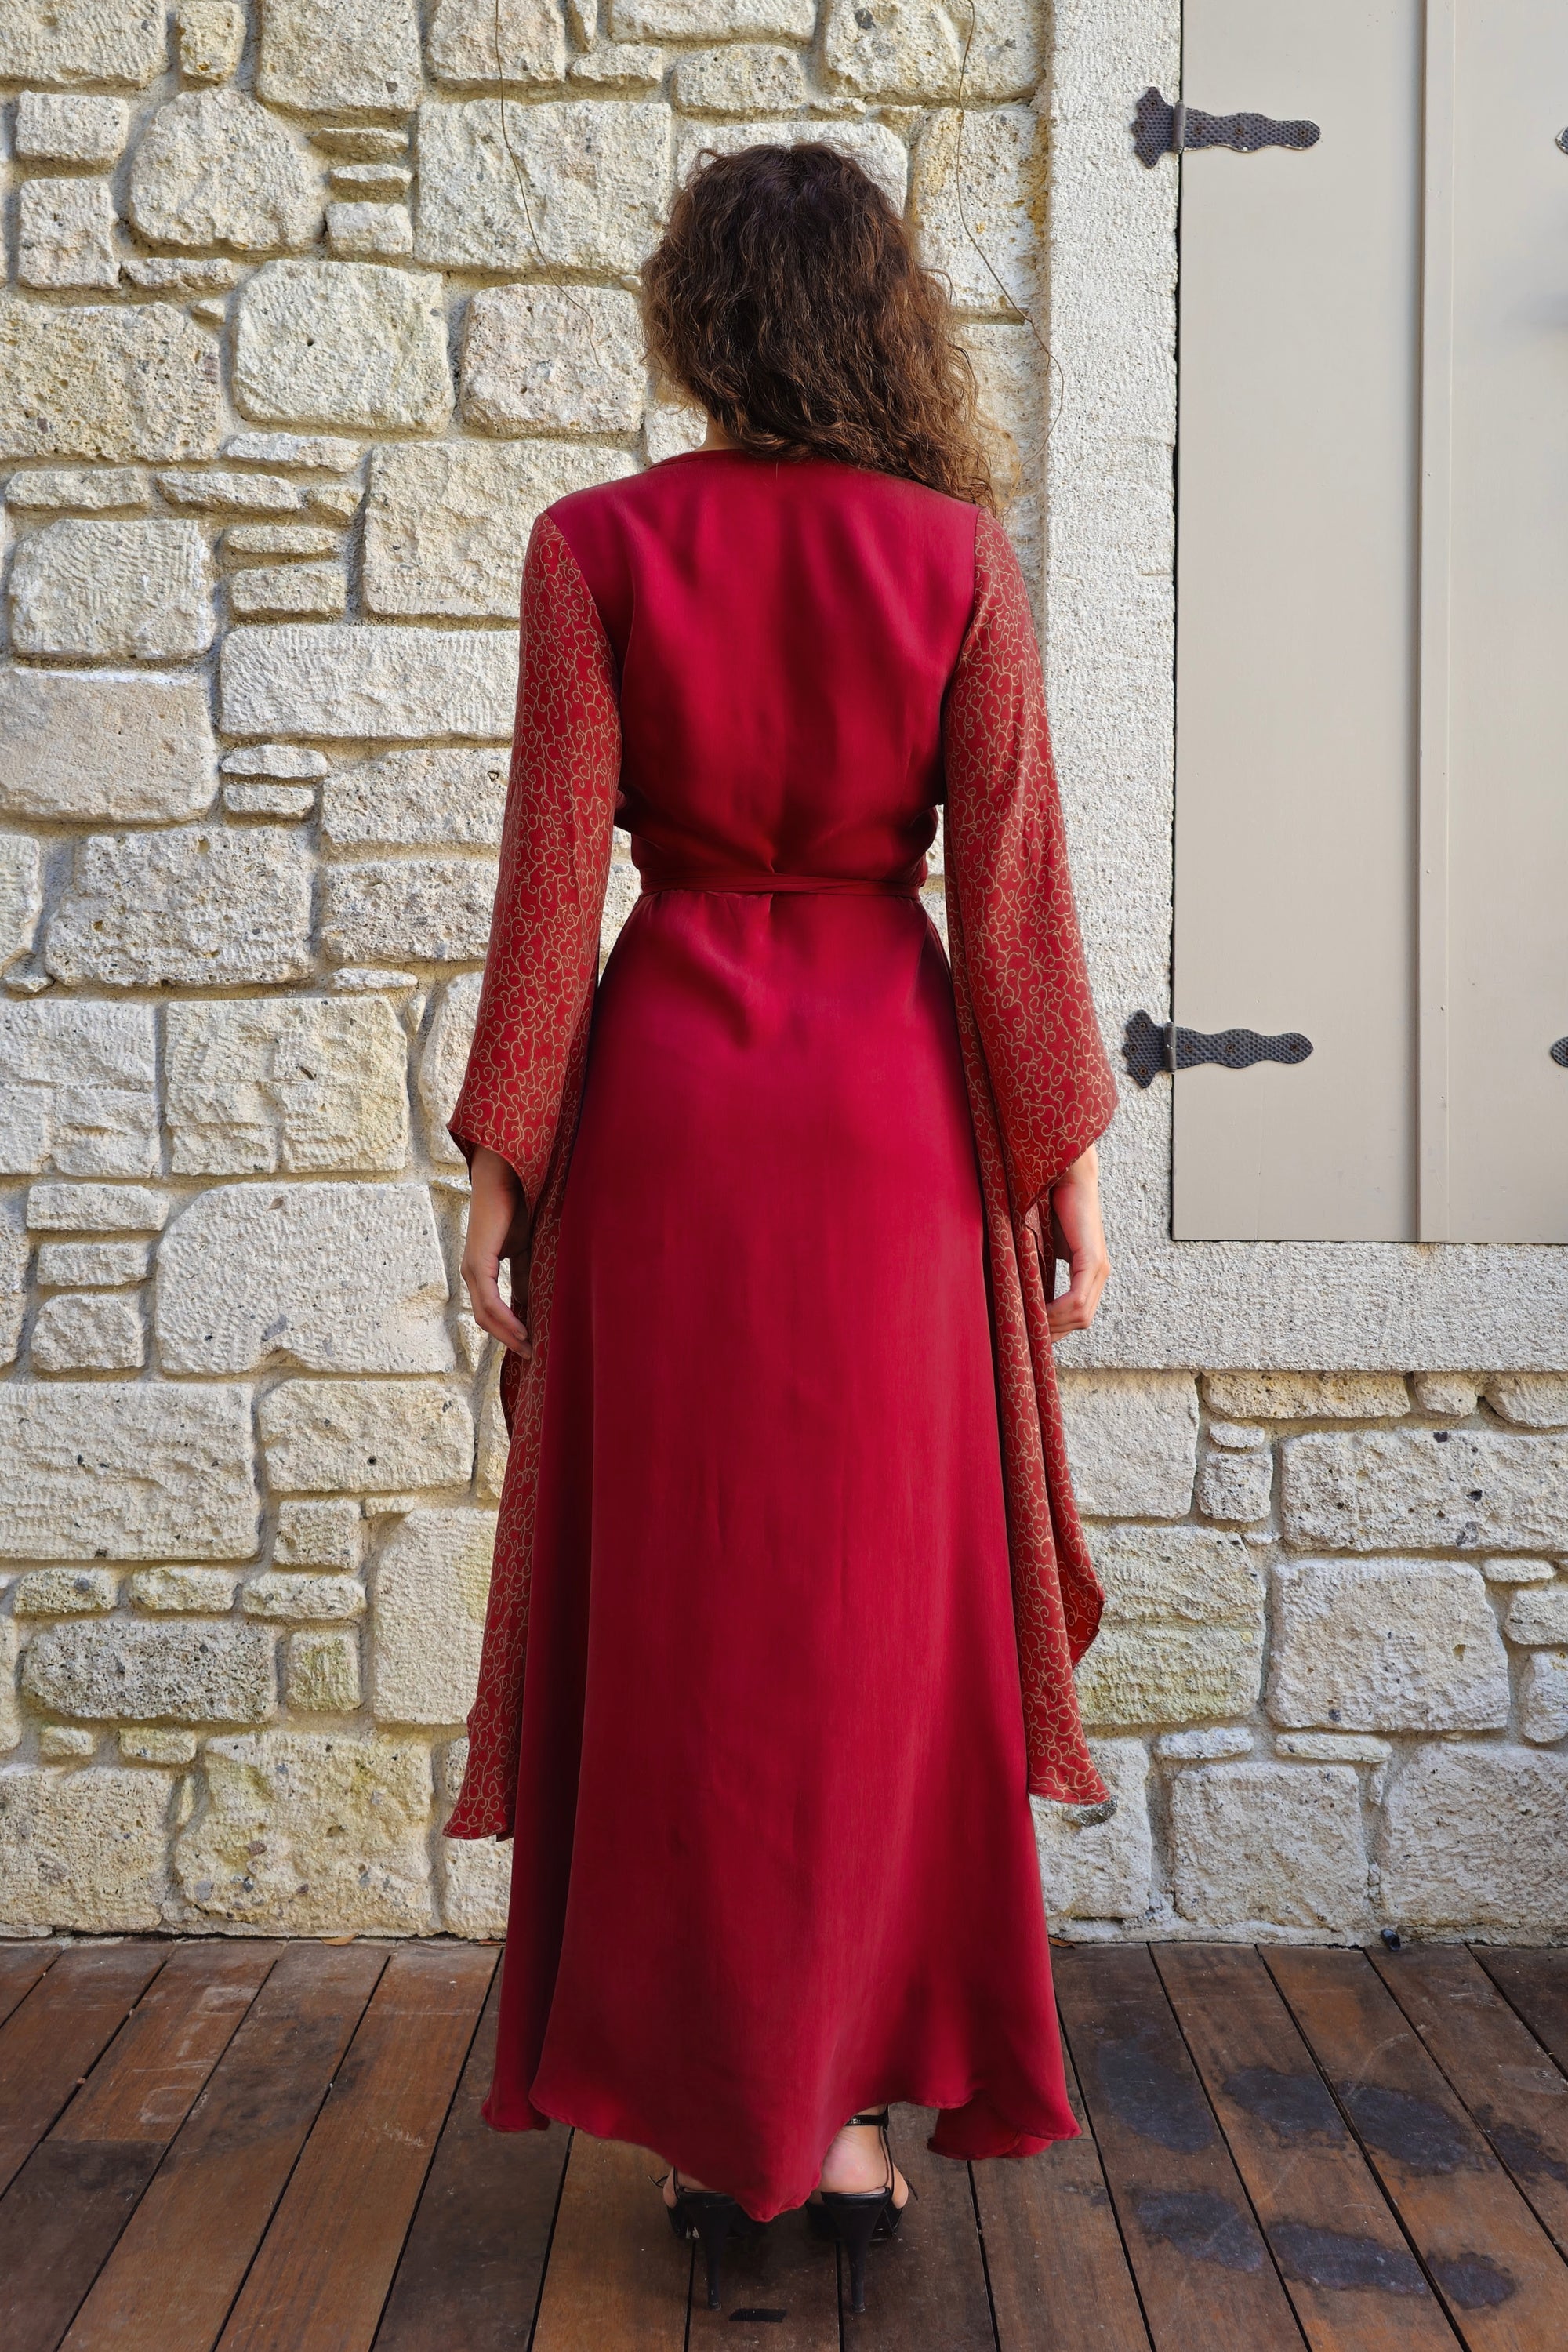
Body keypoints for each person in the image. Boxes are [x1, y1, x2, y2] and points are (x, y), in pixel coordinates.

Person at [447, 140, 1117, 2317]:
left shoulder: (597, 548)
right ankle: (841, 2133)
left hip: (667, 1139)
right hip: (890, 1138)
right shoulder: (954, 556)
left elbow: (560, 888)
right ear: (881, 319)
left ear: (692, 319)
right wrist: (1068, 1172)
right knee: (876, 1635)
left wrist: (503, 1168)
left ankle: (728, 2137)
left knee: (689, 1632)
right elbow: (1009, 899)